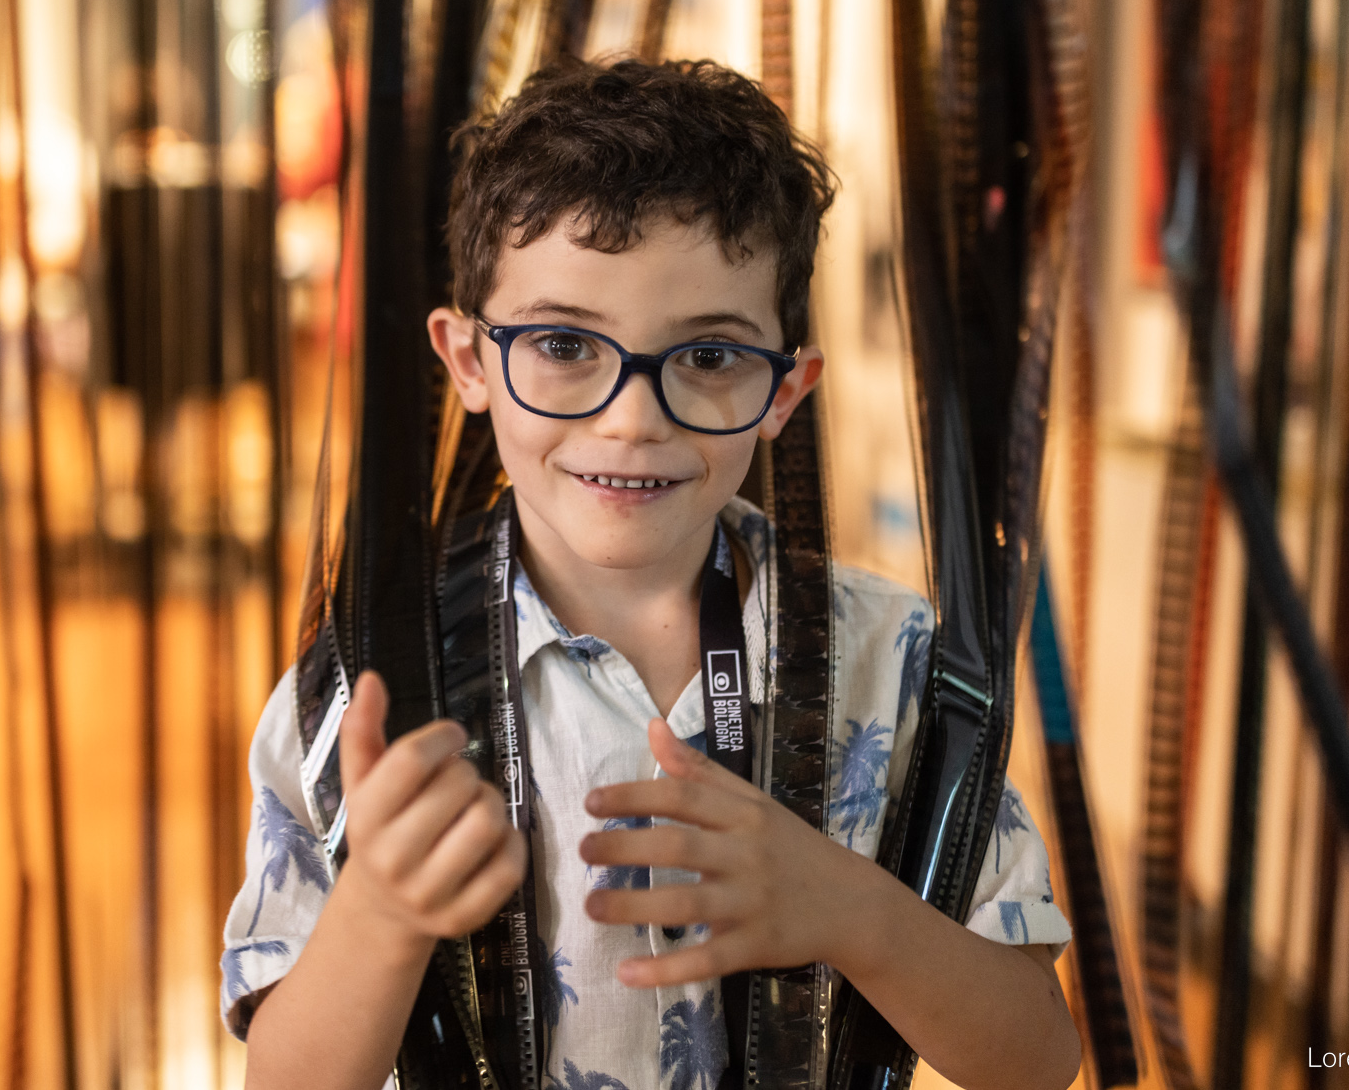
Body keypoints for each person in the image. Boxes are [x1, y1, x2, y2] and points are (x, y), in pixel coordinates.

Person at [223, 59, 1080, 1090]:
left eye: (709, 358)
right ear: (468, 362)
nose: (631, 419)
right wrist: (380, 916)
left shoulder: (888, 662)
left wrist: (854, 910)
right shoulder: (367, 685)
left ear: (786, 389)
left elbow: (1037, 1057)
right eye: (561, 344)